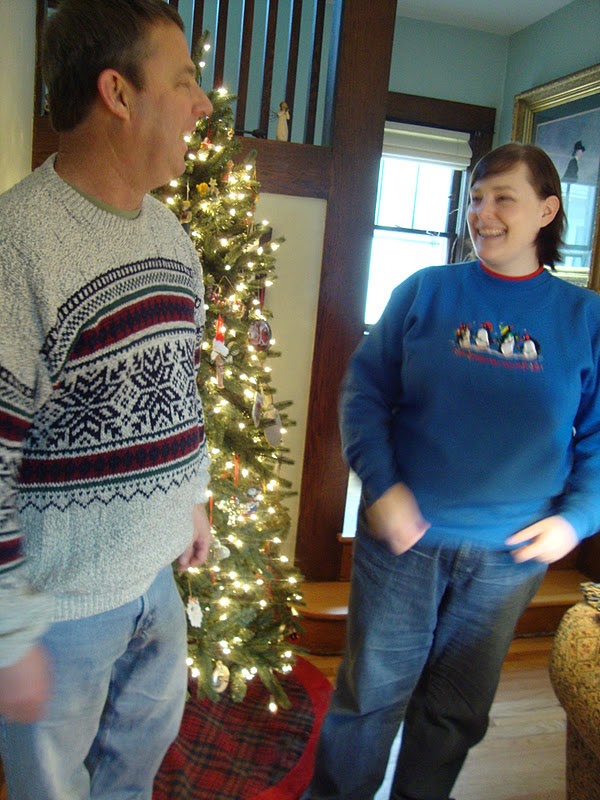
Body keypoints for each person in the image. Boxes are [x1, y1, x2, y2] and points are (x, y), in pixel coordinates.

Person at [305, 142, 600, 800]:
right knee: (368, 701)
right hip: (404, 544)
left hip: (509, 557)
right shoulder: (426, 291)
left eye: (503, 199)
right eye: (475, 198)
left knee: (454, 713)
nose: (482, 214)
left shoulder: (585, 319)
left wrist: (577, 519)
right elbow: (364, 395)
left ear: (547, 211)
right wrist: (382, 486)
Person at [0, 1, 213, 798]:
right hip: (59, 613)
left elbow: (180, 388)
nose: (201, 105)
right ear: (118, 93)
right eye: (183, 81)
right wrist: (10, 632)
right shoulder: (18, 244)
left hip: (156, 580)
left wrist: (193, 498)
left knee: (132, 778)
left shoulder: (171, 235)